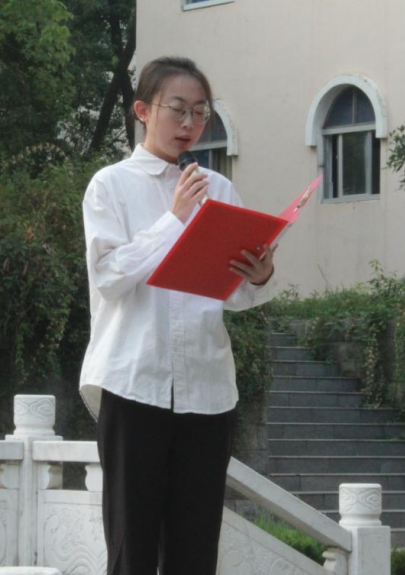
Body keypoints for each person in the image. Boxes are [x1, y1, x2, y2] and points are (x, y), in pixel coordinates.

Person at [80, 56, 277, 575]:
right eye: (178, 109)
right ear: (143, 110)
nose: (189, 123)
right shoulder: (110, 186)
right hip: (134, 383)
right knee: (133, 545)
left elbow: (232, 295)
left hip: (207, 391)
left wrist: (258, 275)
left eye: (200, 112)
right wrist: (174, 220)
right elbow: (109, 276)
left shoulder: (220, 189)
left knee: (195, 548)